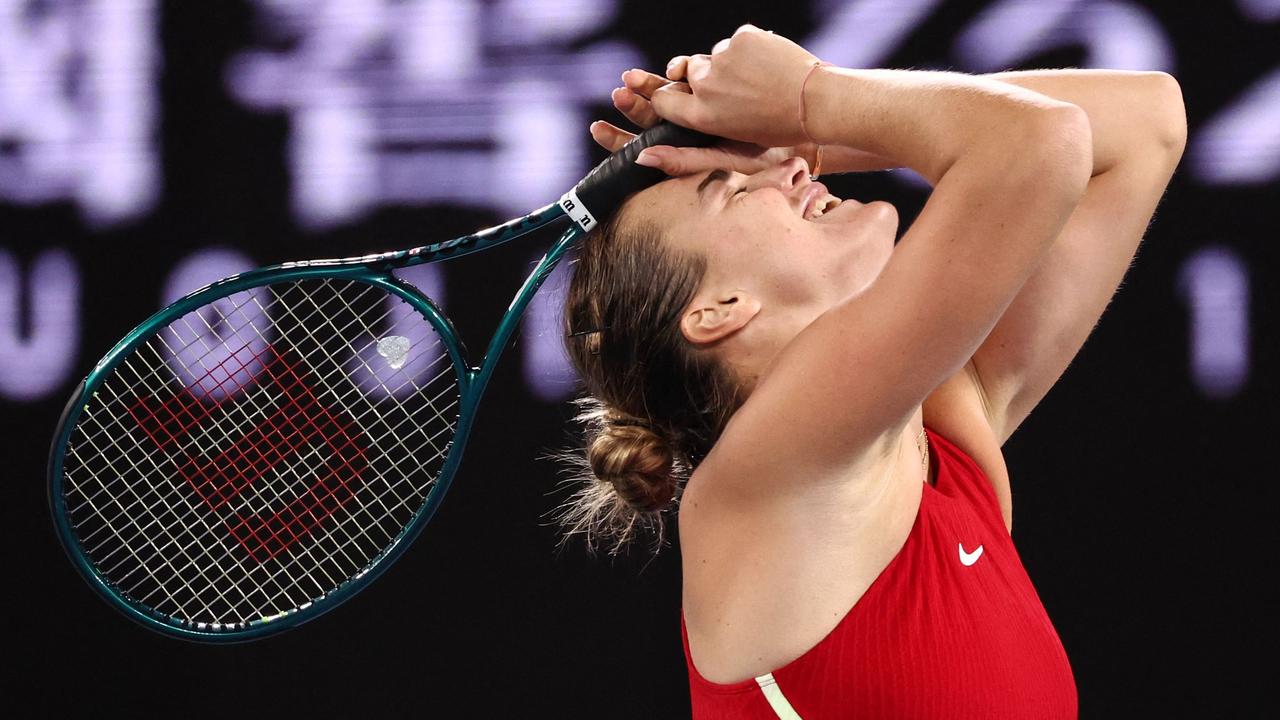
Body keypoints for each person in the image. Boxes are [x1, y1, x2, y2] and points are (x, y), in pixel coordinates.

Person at [558, 25, 1185, 718]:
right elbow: (1043, 145)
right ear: (718, 310)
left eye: (775, 164)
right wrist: (806, 97)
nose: (793, 173)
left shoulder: (938, 441)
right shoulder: (766, 475)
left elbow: (1146, 123)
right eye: (734, 190)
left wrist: (804, 138)